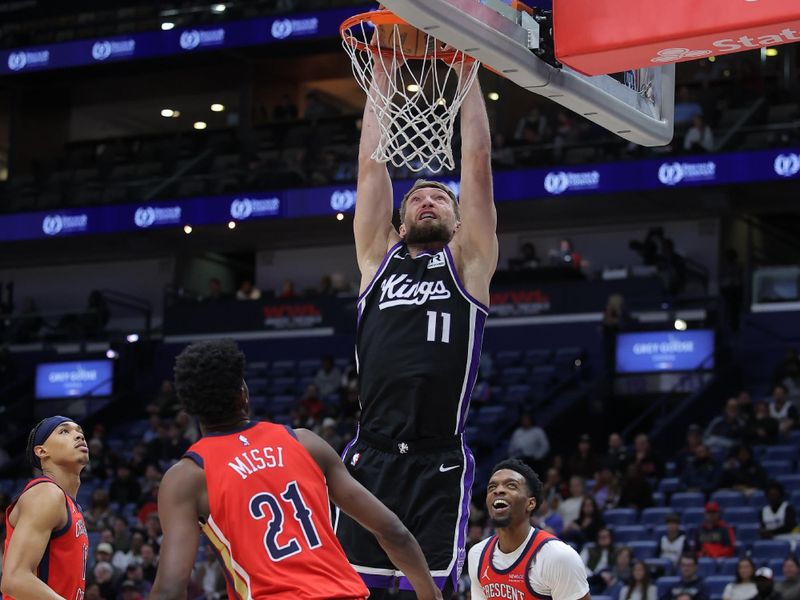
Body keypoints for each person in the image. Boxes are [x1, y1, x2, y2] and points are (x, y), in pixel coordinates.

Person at [340, 43, 497, 598]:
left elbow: (475, 165)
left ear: (458, 222)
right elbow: (370, 166)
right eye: (417, 197)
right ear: (399, 221)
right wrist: (381, 66)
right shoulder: (375, 260)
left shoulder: (468, 263)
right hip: (370, 454)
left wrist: (467, 71)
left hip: (438, 459)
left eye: (440, 197)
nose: (428, 199)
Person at [149, 340, 441, 600]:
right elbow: (392, 530)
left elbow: (171, 589)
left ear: (189, 409)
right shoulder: (304, 442)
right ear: (243, 394)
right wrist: (430, 593)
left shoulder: (186, 477)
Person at [467, 459, 589, 600]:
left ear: (530, 503)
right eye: (492, 487)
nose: (498, 490)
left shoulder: (558, 556)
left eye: (511, 486)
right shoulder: (477, 554)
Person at [1, 416, 90, 599]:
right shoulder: (46, 493)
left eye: (80, 432)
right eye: (64, 431)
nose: (79, 436)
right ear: (42, 451)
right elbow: (15, 579)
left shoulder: (69, 504)